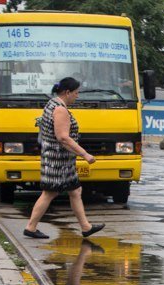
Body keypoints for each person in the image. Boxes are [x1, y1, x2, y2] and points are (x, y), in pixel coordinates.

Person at [24, 77, 104, 239]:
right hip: (57, 160)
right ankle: (31, 227)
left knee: (75, 190)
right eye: (76, 93)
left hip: (59, 159)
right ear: (67, 92)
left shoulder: (52, 103)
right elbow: (63, 138)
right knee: (49, 193)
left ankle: (85, 227)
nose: (78, 96)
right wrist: (85, 154)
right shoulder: (60, 110)